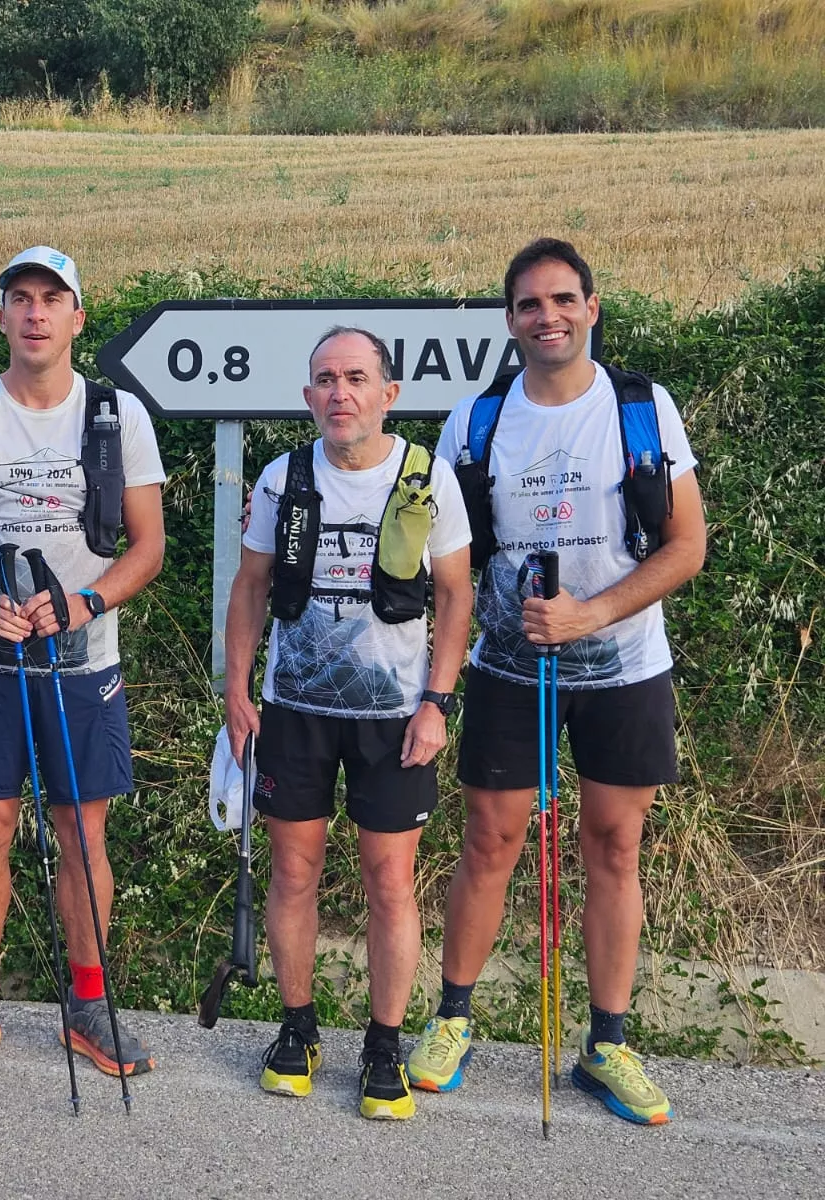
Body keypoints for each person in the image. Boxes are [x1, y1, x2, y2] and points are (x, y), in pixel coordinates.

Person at [409, 238, 705, 1126]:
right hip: (508, 665)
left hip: (624, 665)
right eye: (531, 304)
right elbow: (439, 559)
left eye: (564, 299)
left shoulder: (641, 408)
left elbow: (687, 546)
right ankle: (453, 1019)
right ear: (510, 320)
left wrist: (592, 614)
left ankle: (607, 1043)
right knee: (489, 842)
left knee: (615, 845)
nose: (549, 316)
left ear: (593, 306)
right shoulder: (473, 423)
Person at [0, 246, 167, 1078]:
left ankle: (88, 1004)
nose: (36, 313)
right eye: (20, 298)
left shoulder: (118, 416)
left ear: (78, 316)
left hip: (85, 663)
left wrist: (84, 602)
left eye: (53, 299)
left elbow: (148, 546)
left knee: (83, 832)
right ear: (3, 315)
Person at [224, 327, 473, 1120]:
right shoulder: (282, 478)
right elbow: (251, 588)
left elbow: (456, 596)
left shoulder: (428, 477)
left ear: (387, 394)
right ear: (308, 397)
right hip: (294, 711)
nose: (340, 393)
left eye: (356, 378)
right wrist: (237, 692)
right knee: (293, 874)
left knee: (389, 883)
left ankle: (383, 1044)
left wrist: (437, 703)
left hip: (395, 719)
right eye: (326, 380)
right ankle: (297, 1030)